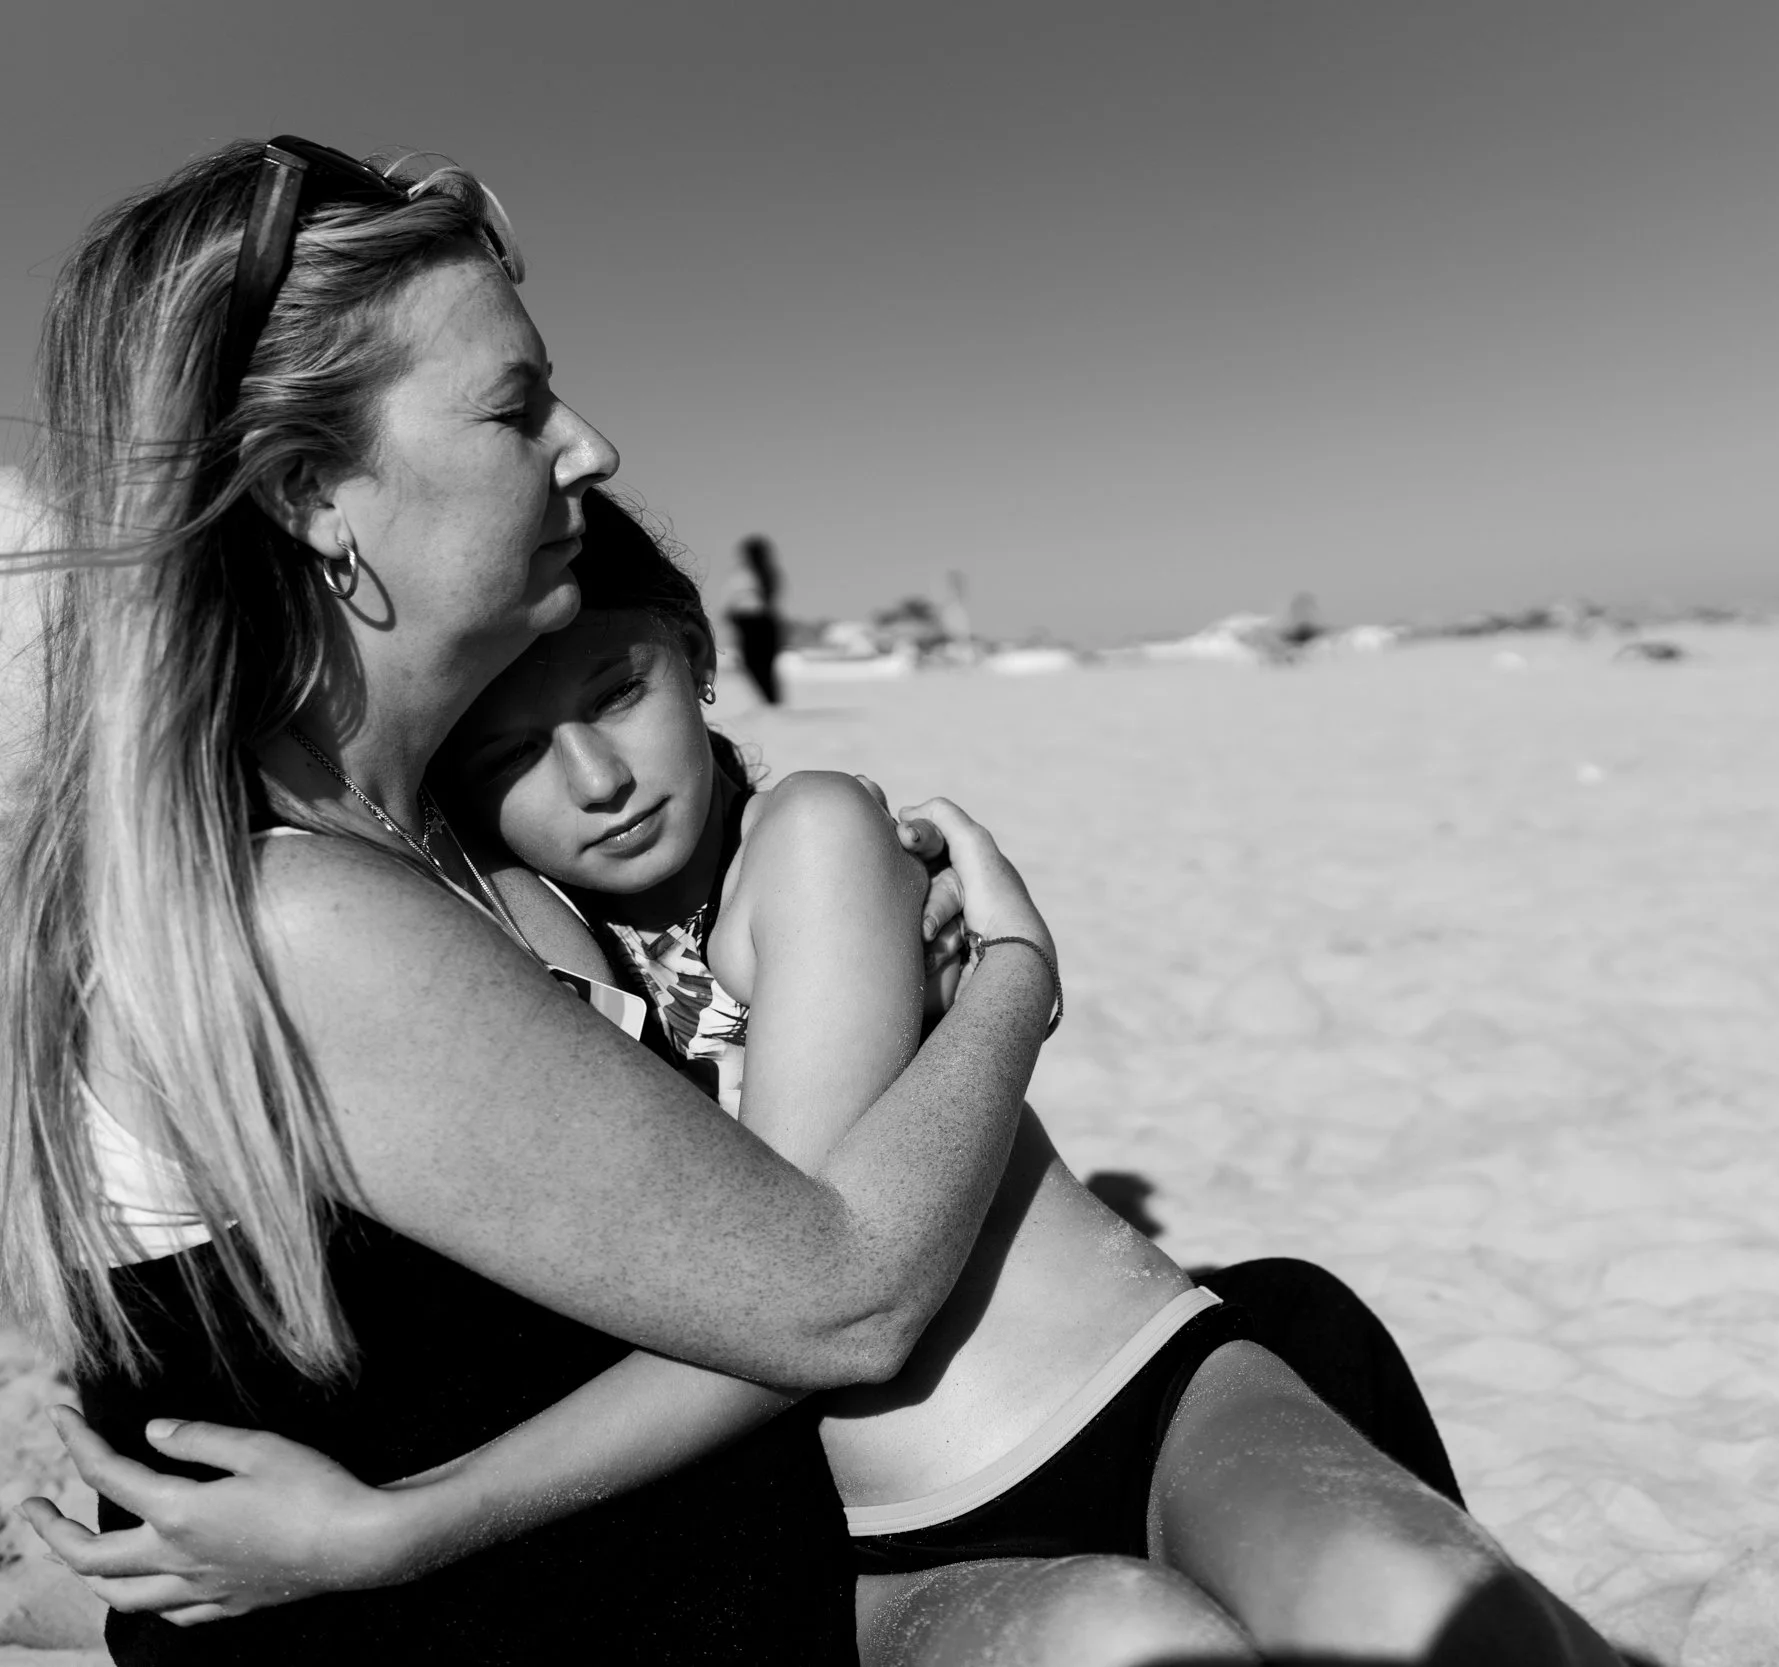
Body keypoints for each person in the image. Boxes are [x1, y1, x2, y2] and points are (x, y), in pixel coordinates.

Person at [29, 491, 1619, 1665]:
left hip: (1111, 1393)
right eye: (513, 749)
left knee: (1427, 1625)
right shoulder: (520, 932)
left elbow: (813, 1283)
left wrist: (402, 1524)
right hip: (850, 1535)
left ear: (699, 662)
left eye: (615, 692)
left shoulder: (821, 837)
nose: (592, 778)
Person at [724, 531, 786, 703]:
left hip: (758, 622)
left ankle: (771, 702)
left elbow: (763, 599)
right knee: (753, 664)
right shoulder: (745, 573)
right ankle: (768, 702)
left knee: (762, 664)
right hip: (748, 622)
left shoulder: (762, 573)